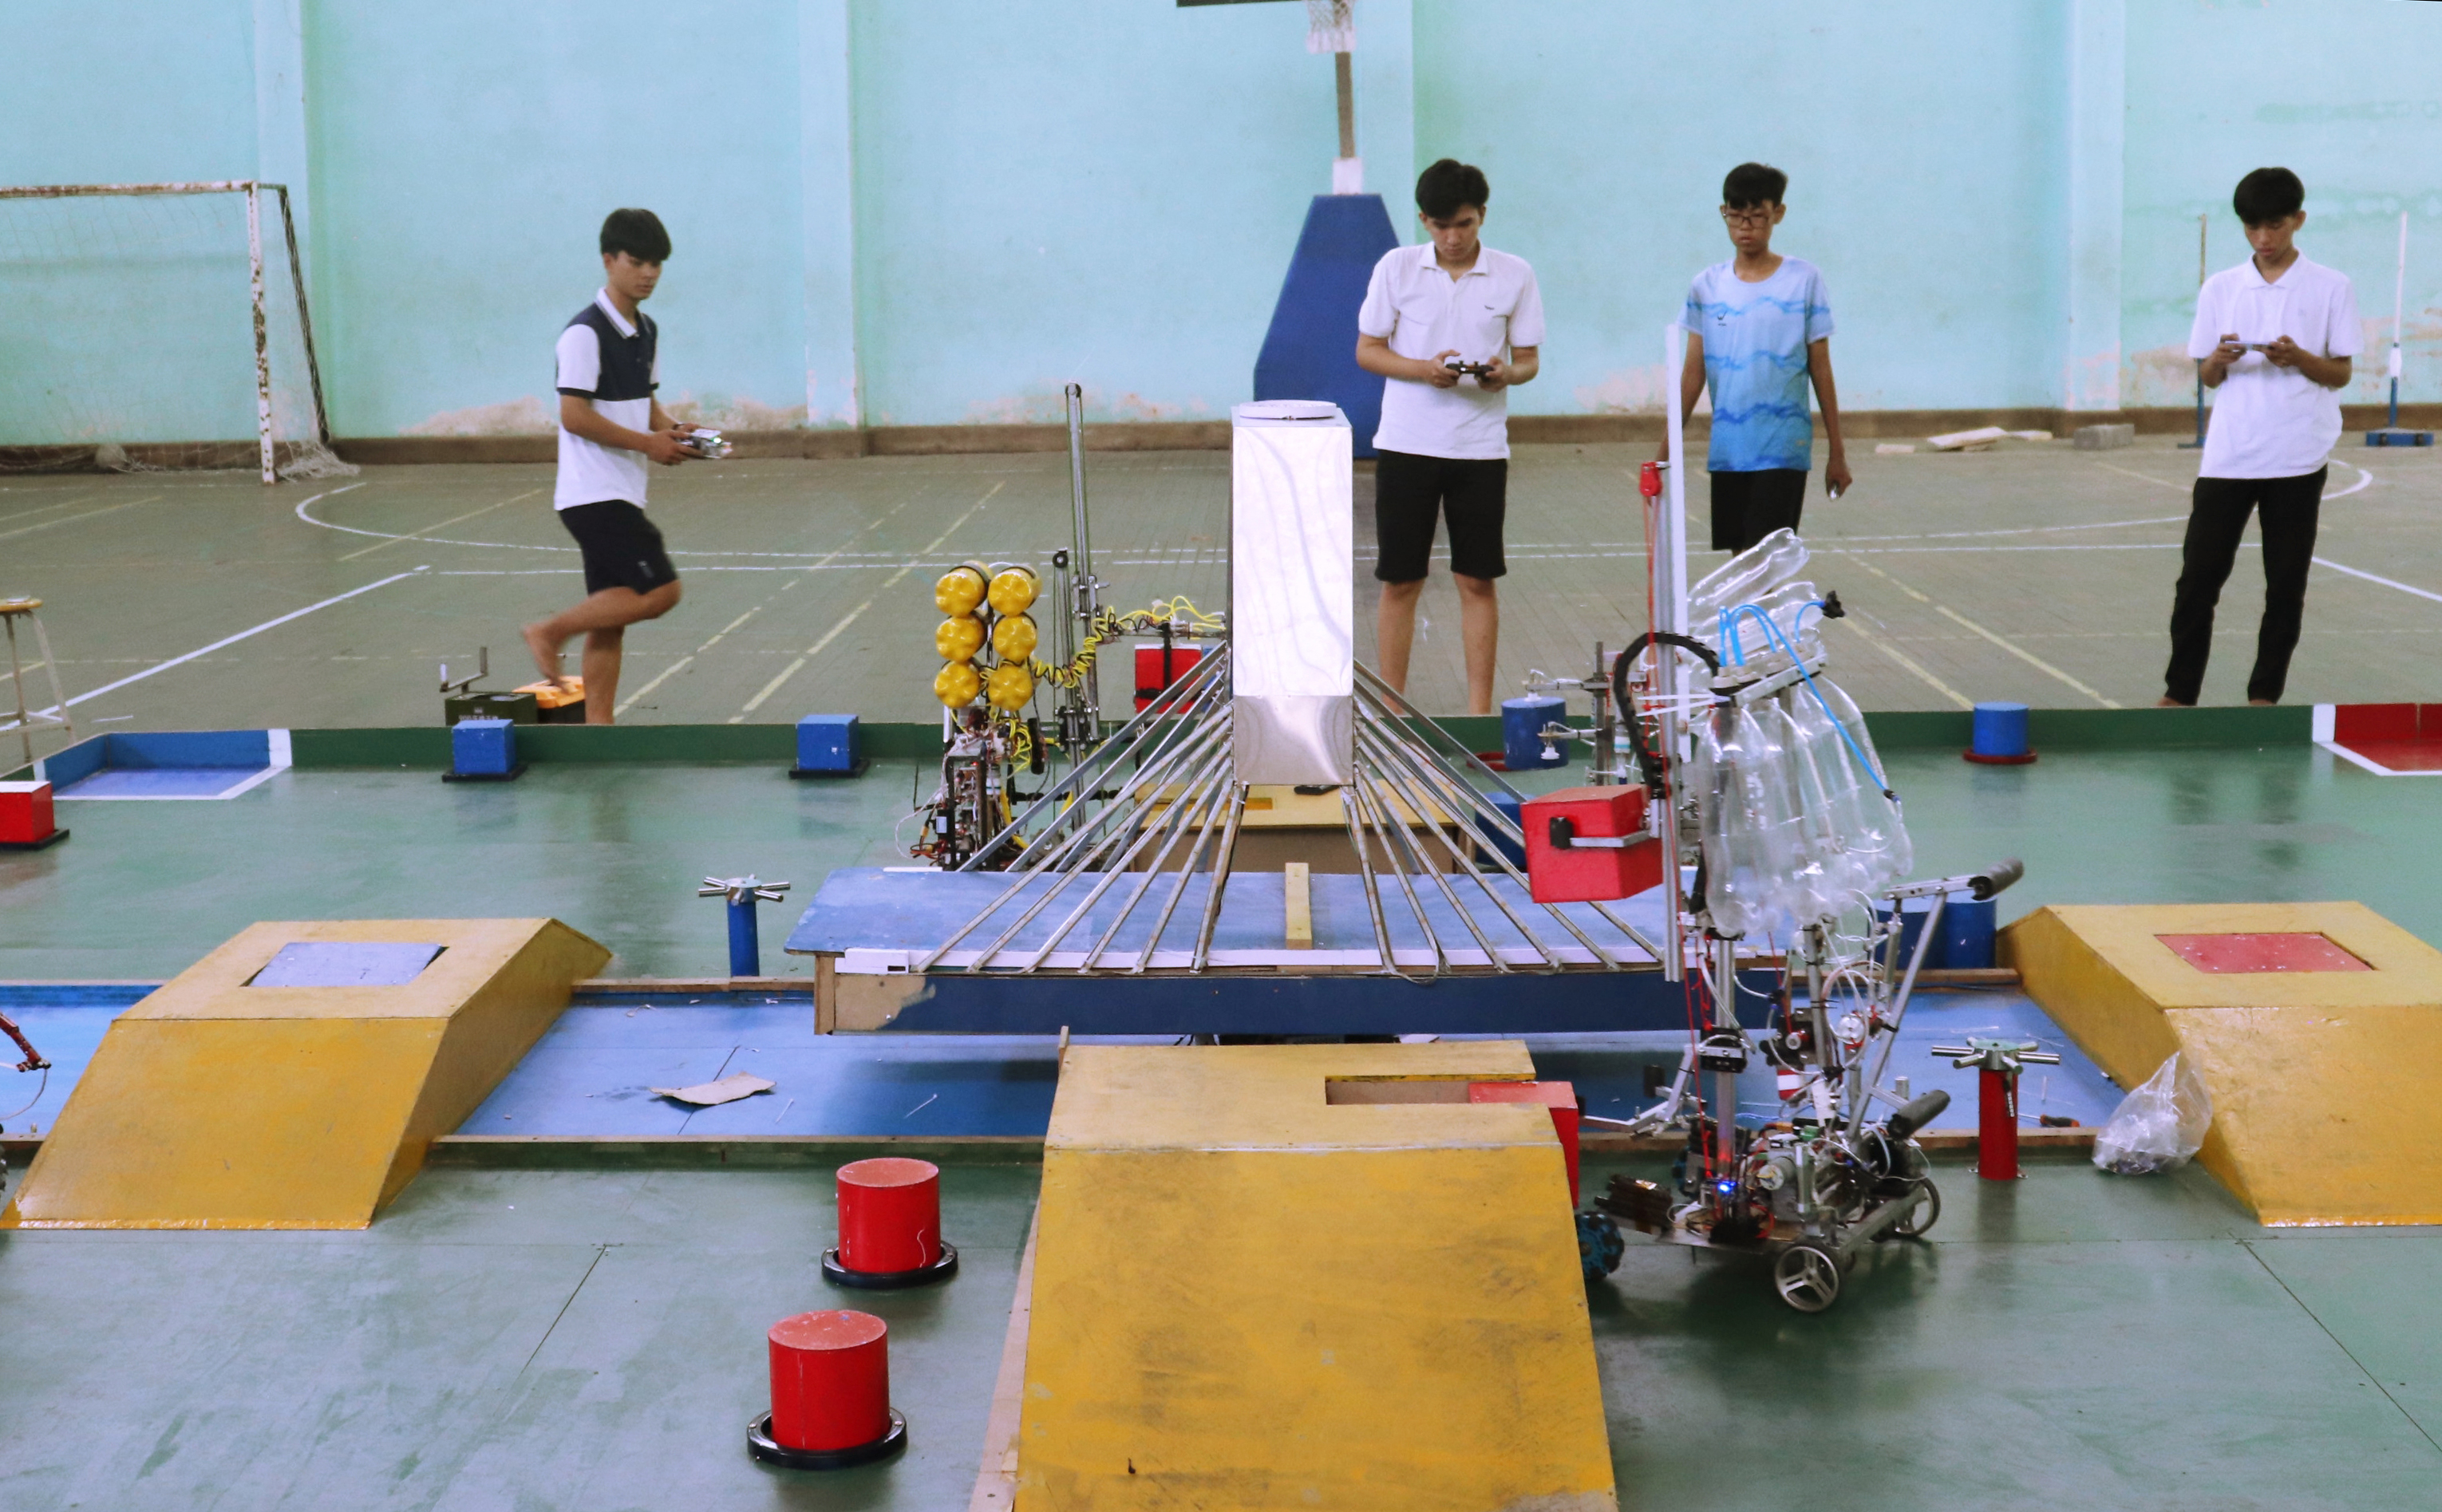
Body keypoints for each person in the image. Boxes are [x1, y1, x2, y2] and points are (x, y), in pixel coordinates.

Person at [2159, 168, 2359, 709]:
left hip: (2298, 455)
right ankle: (2179, 695)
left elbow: (2340, 372)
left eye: (2274, 225)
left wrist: (2299, 358)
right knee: (2197, 581)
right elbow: (2206, 375)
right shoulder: (2221, 287)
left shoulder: (2331, 286)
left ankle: (2264, 697)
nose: (2264, 239)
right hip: (2229, 455)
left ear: (2298, 220)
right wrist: (2219, 361)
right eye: (2252, 228)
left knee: (2285, 585)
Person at [1354, 157, 1543, 715]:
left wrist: (1504, 374)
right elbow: (1367, 349)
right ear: (1422, 221)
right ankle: (1392, 708)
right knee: (1400, 581)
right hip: (1406, 445)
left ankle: (1480, 715)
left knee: (1477, 581)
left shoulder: (1515, 274)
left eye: (1463, 224)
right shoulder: (1396, 268)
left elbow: (1528, 360)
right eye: (1440, 226)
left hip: (1480, 449)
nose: (1452, 237)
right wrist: (1423, 369)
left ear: (1482, 216)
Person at [522, 207, 699, 724]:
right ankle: (549, 631)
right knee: (660, 591)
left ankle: (599, 726)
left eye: (657, 264)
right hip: (593, 494)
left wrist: (673, 430)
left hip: (620, 488)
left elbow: (646, 403)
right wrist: (648, 445)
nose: (648, 273)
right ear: (608, 260)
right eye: (637, 261)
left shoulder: (646, 331)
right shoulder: (583, 334)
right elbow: (574, 416)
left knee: (610, 616)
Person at [1662, 162, 1850, 555]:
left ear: (1778, 214)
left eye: (1757, 217)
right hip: (1729, 451)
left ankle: (1763, 619)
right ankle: (1755, 620)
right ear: (1723, 213)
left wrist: (1837, 452)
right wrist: (1664, 455)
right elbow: (1692, 375)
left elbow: (1821, 369)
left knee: (1764, 561)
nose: (1745, 227)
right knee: (1740, 564)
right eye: (1736, 216)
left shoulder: (1803, 280)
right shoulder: (1707, 286)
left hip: (1782, 448)